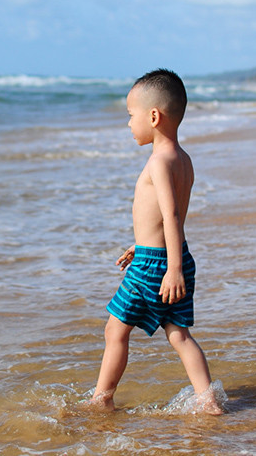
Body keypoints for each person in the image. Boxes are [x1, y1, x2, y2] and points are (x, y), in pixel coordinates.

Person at [87, 68, 223, 414]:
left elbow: (172, 216)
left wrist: (170, 268)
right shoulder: (184, 160)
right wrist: (146, 246)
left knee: (115, 329)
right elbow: (168, 219)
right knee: (179, 335)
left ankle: (101, 399)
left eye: (131, 116)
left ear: (153, 116)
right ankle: (208, 401)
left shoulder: (159, 163)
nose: (129, 125)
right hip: (168, 256)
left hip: (157, 266)